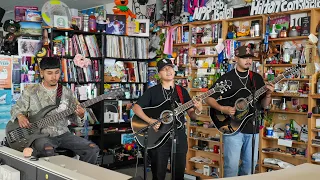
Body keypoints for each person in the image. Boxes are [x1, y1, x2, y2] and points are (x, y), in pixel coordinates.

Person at [10, 57, 99, 164]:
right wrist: (20, 116)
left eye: (57, 72)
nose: (54, 77)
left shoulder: (67, 92)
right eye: (50, 73)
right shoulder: (31, 91)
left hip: (63, 134)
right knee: (48, 151)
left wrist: (80, 115)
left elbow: (74, 119)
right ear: (42, 73)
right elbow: (16, 108)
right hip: (40, 135)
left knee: (92, 148)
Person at [205, 45, 274, 177]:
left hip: (252, 128)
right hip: (232, 127)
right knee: (231, 166)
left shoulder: (256, 78)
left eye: (250, 58)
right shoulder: (227, 78)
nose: (248, 60)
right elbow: (208, 97)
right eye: (244, 57)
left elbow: (264, 105)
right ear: (236, 58)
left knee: (250, 166)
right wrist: (222, 108)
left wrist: (269, 94)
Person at [132, 59, 203, 180]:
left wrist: (198, 109)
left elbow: (192, 115)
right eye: (164, 69)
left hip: (179, 136)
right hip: (158, 137)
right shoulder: (152, 92)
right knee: (159, 175)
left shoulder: (182, 91)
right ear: (159, 74)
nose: (168, 71)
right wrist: (150, 121)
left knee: (179, 174)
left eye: (170, 67)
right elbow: (136, 108)